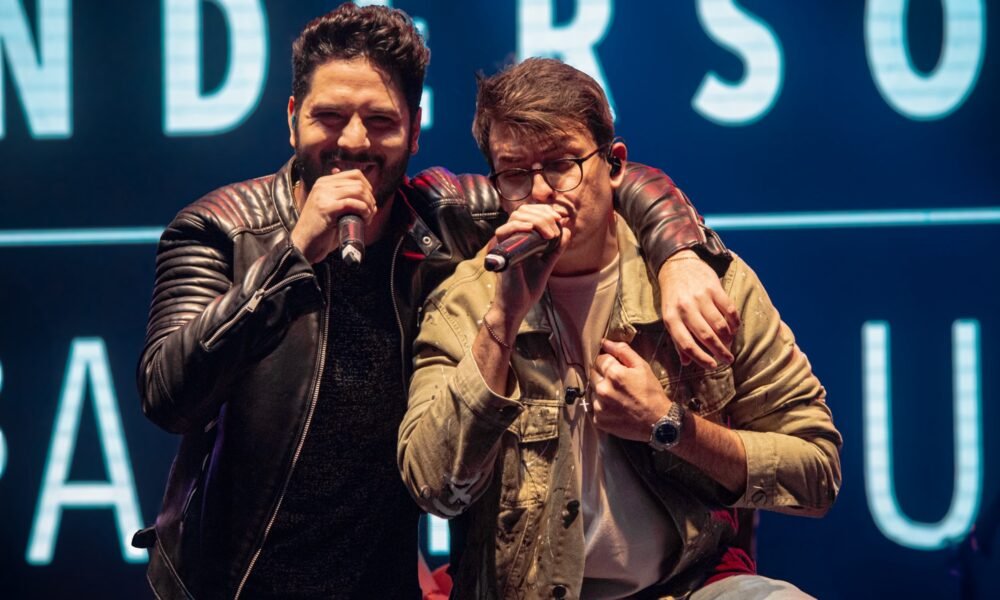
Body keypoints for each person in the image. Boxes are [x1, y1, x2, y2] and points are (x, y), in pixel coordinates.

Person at [133, 5, 735, 599]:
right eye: (329, 117)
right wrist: (294, 256)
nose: (353, 141)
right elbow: (168, 397)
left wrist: (679, 254)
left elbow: (592, 179)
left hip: (379, 586)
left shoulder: (441, 215)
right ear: (293, 120)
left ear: (415, 129)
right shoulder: (219, 229)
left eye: (380, 121)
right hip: (231, 585)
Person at [398, 57, 843, 600]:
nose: (540, 192)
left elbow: (817, 471)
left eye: (561, 164)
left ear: (614, 165)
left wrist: (669, 425)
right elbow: (434, 487)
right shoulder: (465, 301)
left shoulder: (703, 282)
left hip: (683, 585)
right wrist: (503, 320)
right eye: (515, 173)